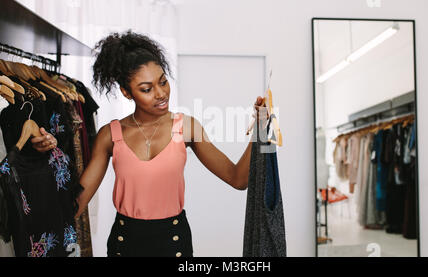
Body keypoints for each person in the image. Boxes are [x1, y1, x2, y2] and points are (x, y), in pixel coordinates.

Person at [31, 30, 268, 257]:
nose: (160, 93)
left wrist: (258, 128)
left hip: (174, 242)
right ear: (126, 92)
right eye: (146, 89)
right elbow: (76, 205)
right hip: (124, 244)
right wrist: (48, 155)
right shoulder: (109, 135)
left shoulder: (187, 127)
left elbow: (238, 179)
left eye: (163, 82)